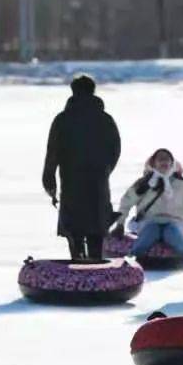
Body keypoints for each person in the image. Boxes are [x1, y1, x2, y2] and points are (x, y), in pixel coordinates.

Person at [42, 74, 121, 260]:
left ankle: (77, 265)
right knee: (96, 228)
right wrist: (105, 170)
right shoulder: (105, 119)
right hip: (98, 180)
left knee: (74, 229)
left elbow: (52, 154)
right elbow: (115, 149)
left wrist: (50, 185)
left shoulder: (62, 119)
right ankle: (96, 267)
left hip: (71, 181)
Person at [111, 148, 183, 262]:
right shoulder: (143, 184)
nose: (164, 162)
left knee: (171, 232)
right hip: (149, 221)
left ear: (172, 163)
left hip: (176, 222)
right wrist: (120, 224)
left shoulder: (182, 184)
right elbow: (126, 203)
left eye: (167, 159)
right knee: (151, 231)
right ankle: (133, 260)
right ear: (153, 163)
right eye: (160, 159)